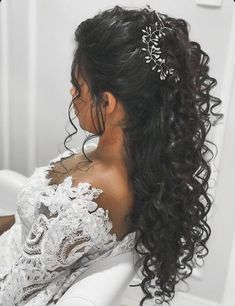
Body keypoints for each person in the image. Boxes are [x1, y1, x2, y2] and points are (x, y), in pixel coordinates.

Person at [0, 4, 223, 306]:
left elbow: (12, 289)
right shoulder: (135, 159)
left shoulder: (93, 196)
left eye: (78, 86)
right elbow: (31, 225)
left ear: (108, 102)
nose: (72, 95)